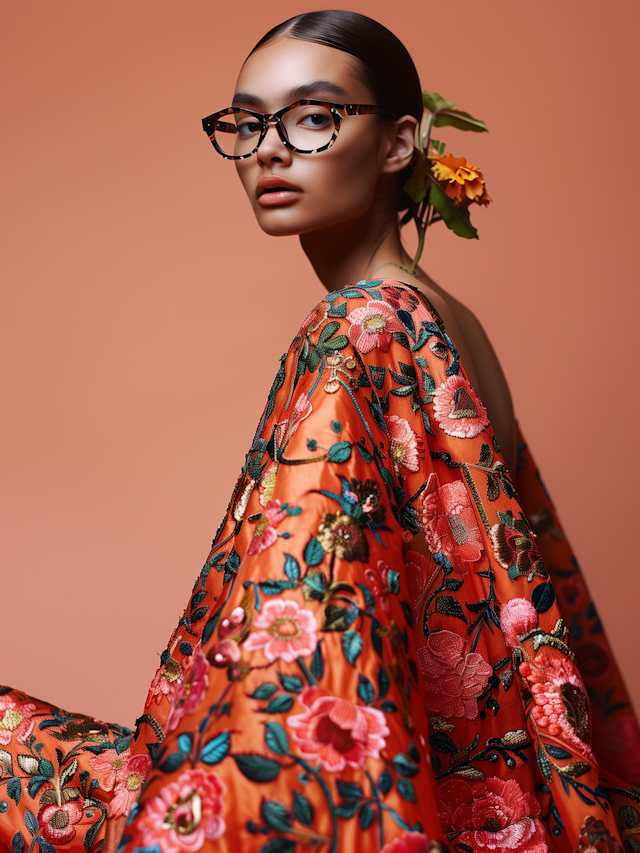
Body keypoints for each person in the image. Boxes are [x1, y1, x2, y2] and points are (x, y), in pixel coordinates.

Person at [1, 10, 639, 853]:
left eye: (313, 115)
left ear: (400, 143)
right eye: (247, 121)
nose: (269, 147)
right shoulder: (446, 316)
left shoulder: (358, 325)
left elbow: (295, 635)